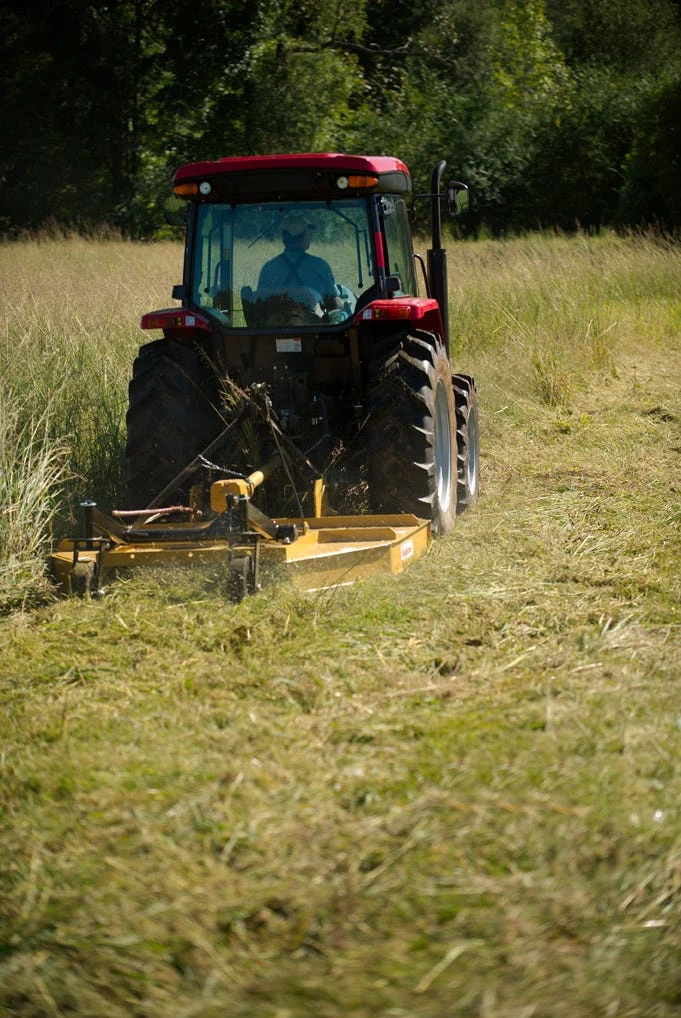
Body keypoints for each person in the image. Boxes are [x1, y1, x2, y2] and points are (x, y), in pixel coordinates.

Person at [257, 214, 343, 316]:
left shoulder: (268, 268)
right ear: (304, 237)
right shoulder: (320, 266)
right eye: (307, 233)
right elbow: (333, 301)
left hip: (276, 323)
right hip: (314, 324)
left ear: (284, 239)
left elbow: (259, 300)